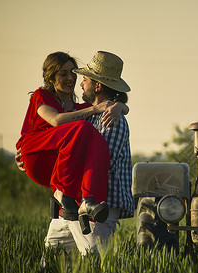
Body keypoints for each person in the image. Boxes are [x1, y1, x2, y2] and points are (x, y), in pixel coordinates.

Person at [17, 51, 134, 256]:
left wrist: (120, 107)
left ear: (97, 85)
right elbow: (58, 134)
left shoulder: (110, 119)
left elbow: (105, 164)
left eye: (84, 78)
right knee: (51, 263)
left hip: (98, 205)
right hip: (69, 205)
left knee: (93, 261)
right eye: (65, 73)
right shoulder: (84, 114)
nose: (78, 82)